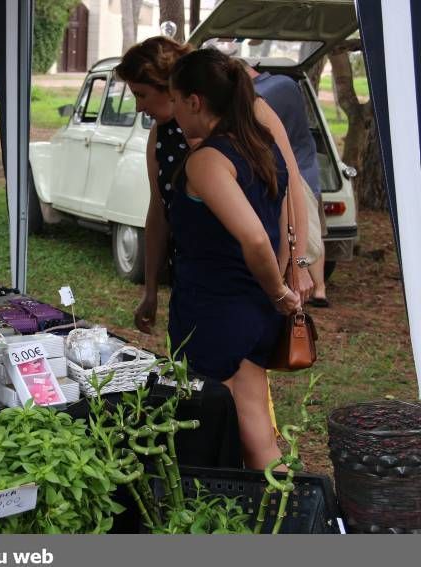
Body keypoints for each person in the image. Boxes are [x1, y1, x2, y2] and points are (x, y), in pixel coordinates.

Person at [114, 37, 313, 335]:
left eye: (141, 94)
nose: (139, 107)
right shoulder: (162, 136)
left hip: (246, 282)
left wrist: (297, 265)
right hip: (196, 285)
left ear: (173, 91)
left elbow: (289, 187)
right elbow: (159, 210)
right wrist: (151, 289)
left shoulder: (249, 114)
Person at [166, 48, 301, 469]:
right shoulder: (261, 146)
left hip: (215, 312)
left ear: (195, 101)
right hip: (250, 308)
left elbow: (257, 238)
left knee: (207, 437)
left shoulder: (207, 160)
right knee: (257, 434)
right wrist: (271, 291)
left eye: (173, 100)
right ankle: (284, 518)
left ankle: (249, 519)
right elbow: (282, 226)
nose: (171, 112)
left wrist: (278, 291)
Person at [246, 64, 330, 307]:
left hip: (298, 173)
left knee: (308, 235)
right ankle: (320, 288)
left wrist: (297, 266)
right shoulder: (286, 84)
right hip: (304, 169)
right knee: (314, 234)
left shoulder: (272, 89)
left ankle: (313, 282)